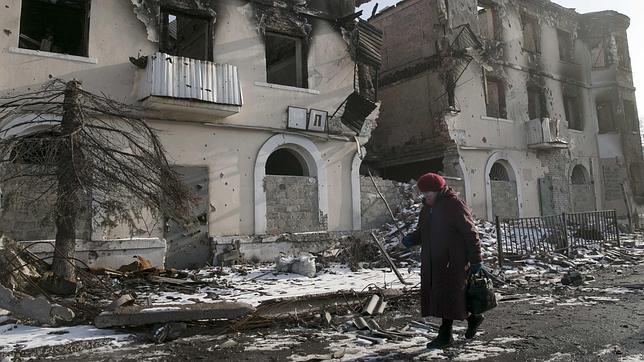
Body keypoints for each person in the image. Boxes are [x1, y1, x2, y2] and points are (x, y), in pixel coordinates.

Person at [401, 172, 484, 349]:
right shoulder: (426, 209)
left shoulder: (454, 205)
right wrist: (412, 238)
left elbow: (471, 234)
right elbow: (423, 231)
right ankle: (474, 318)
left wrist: (476, 259)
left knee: (448, 297)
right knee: (445, 298)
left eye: (428, 194)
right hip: (433, 261)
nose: (425, 197)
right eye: (423, 194)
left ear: (438, 191)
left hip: (453, 261)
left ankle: (445, 336)